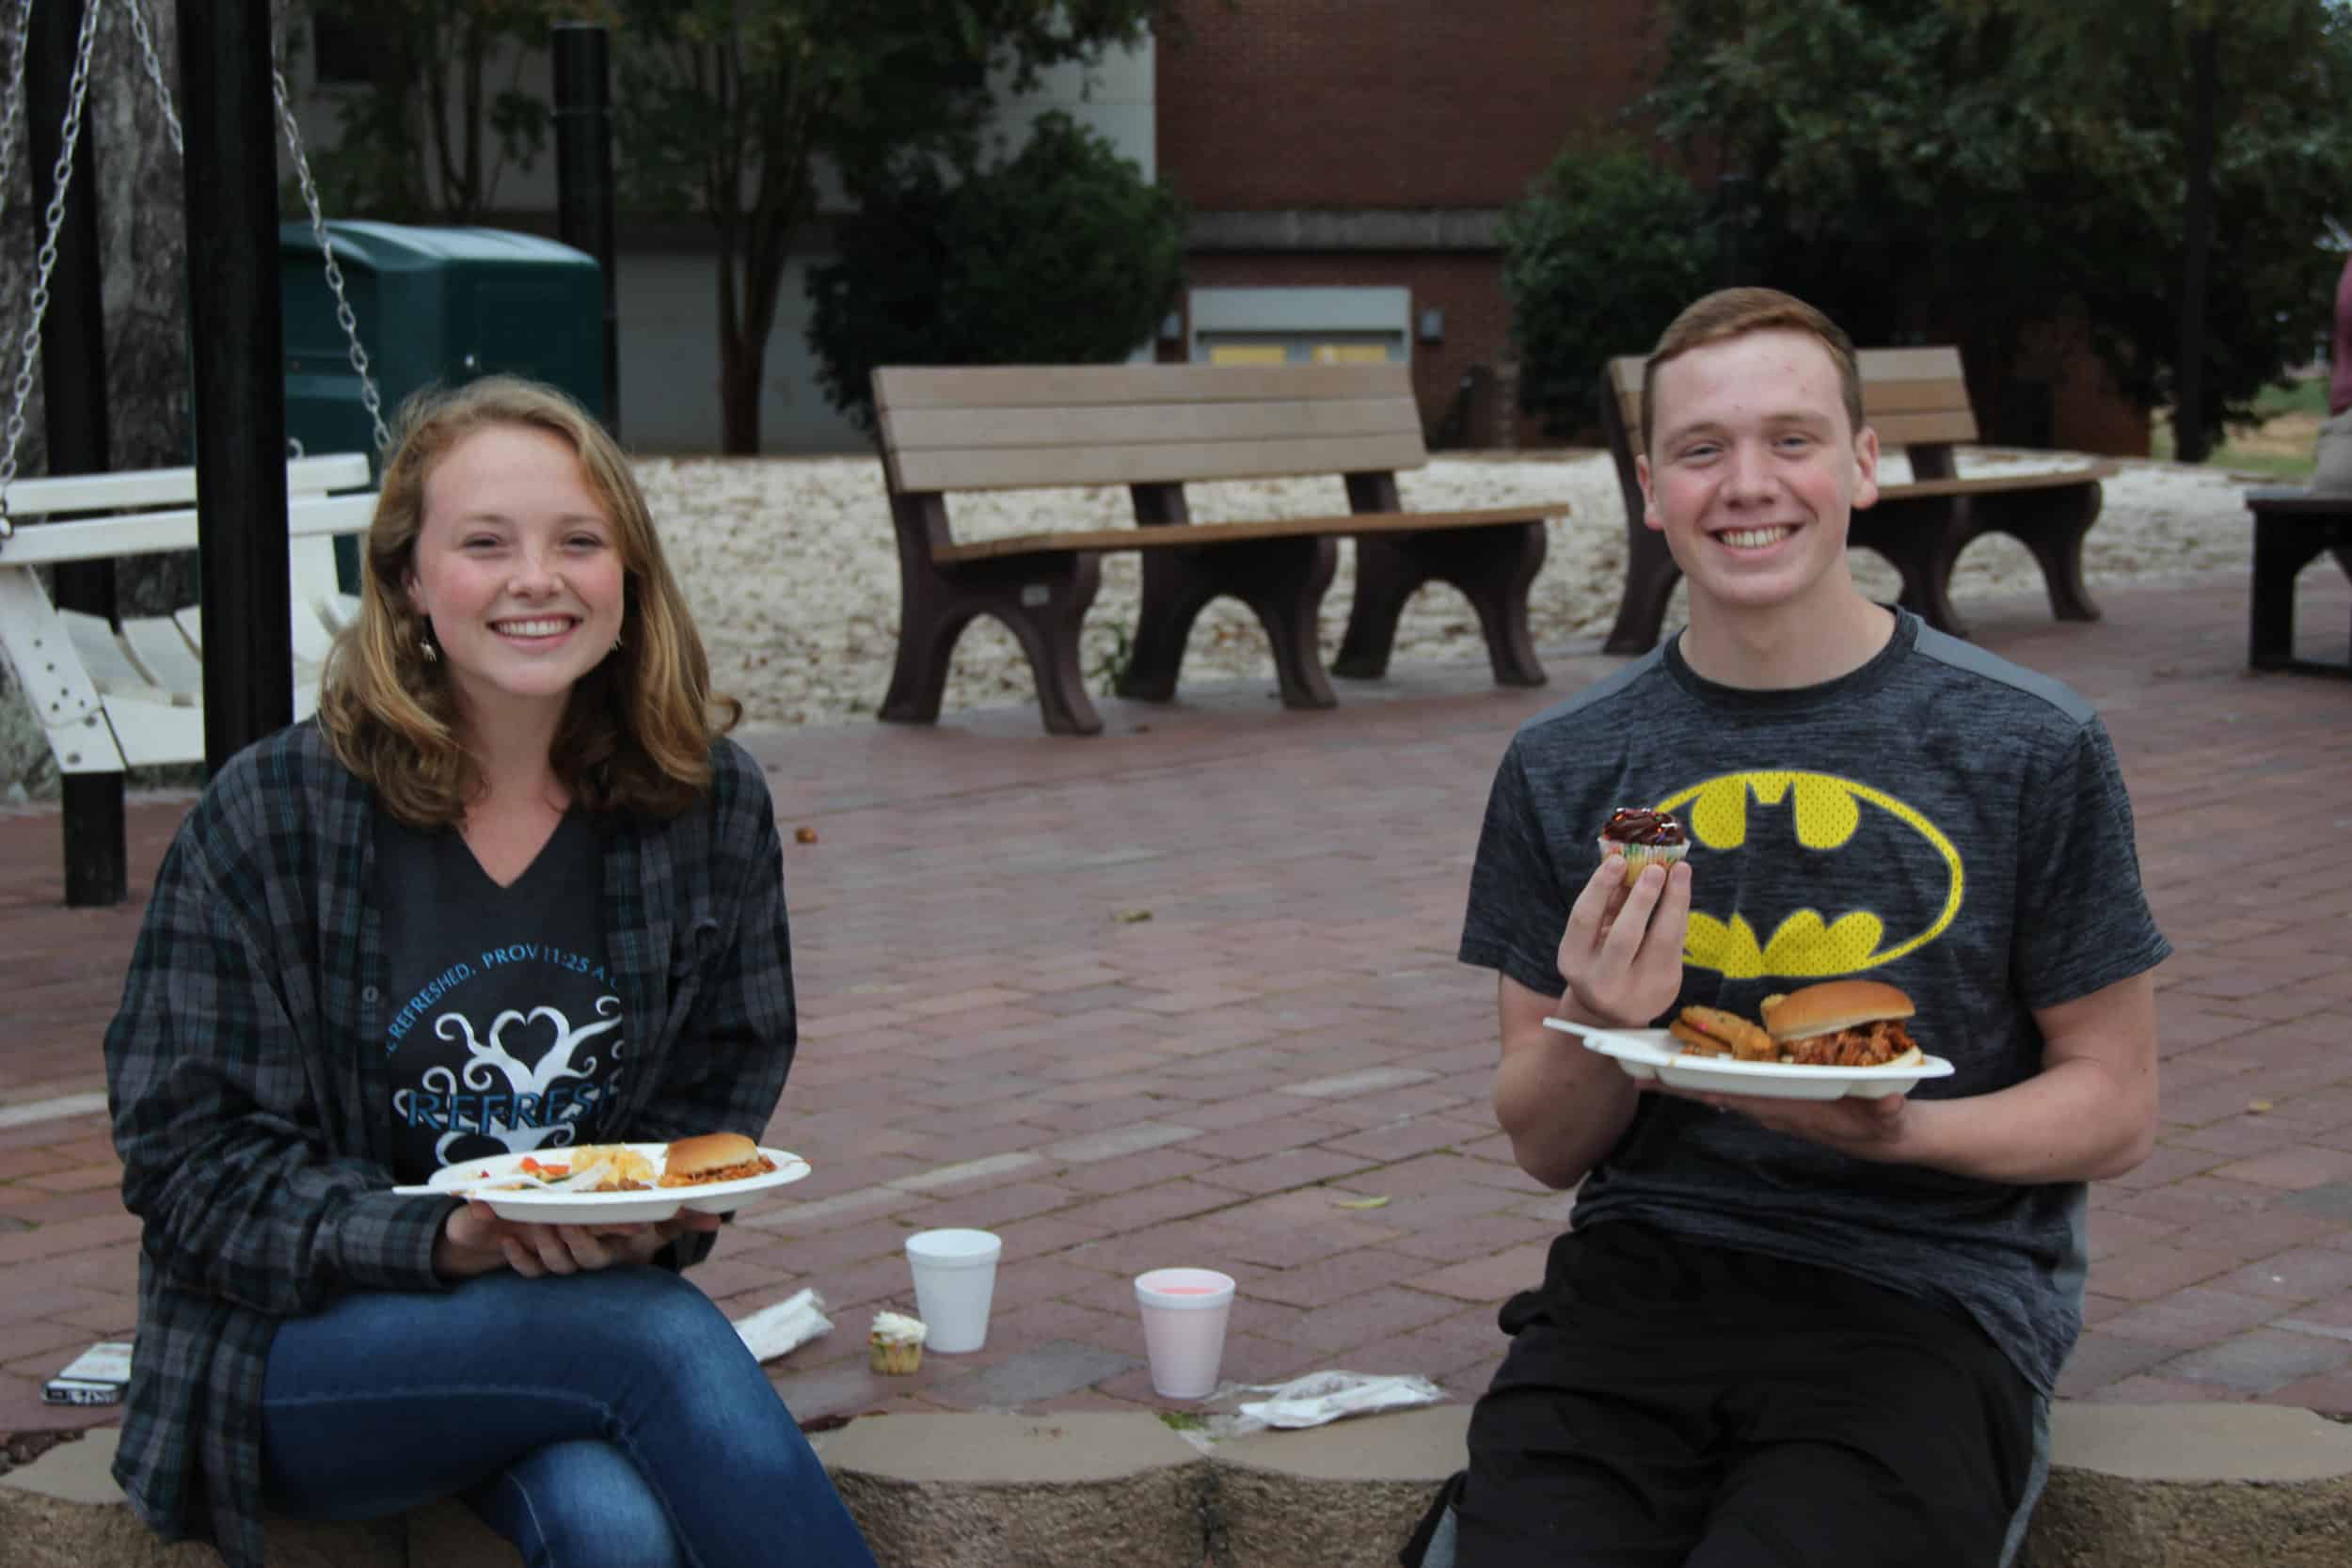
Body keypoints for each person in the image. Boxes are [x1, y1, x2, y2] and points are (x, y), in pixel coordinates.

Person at [1440, 289, 2169, 1567]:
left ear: (1863, 467)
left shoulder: (2027, 742)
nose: (1747, 484)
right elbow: (1546, 1148)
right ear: (1651, 490)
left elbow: (2116, 1100)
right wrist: (1600, 1017)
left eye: (1792, 438)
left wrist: (1898, 1127)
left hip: (1931, 1297)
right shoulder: (1568, 762)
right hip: (1642, 1279)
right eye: (1702, 448)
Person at [103, 377, 877, 1568]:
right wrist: (446, 1239)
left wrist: (638, 1223)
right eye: (484, 543)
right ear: (410, 581)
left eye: (578, 540)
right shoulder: (273, 814)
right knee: (656, 1343)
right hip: (299, 1350)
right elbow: (191, 1167)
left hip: (567, 1319)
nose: (537, 578)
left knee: (613, 1526)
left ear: (629, 574)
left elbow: (717, 1090)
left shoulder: (704, 802)